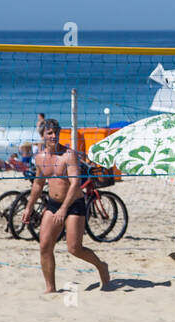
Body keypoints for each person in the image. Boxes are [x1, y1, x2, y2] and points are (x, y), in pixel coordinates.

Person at [21, 118, 111, 294]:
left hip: (73, 204)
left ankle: (101, 266)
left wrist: (64, 209)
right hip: (53, 204)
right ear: (42, 135)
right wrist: (29, 207)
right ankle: (50, 288)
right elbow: (38, 184)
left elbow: (75, 184)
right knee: (44, 246)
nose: (54, 136)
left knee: (74, 248)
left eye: (56, 132)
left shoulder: (69, 155)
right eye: (50, 133)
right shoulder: (39, 158)